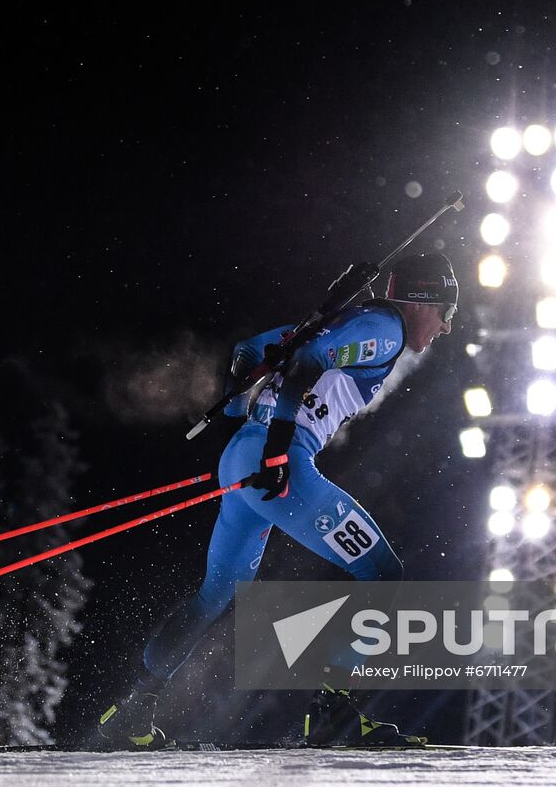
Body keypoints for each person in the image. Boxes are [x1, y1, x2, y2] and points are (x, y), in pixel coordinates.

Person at [97, 253, 459, 748]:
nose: (446, 326)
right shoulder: (386, 329)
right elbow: (309, 362)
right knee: (382, 574)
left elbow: (248, 351)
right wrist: (276, 449)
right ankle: (333, 718)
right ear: (421, 300)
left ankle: (133, 710)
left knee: (215, 596)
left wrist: (236, 425)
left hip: (243, 457)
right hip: (280, 464)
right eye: (446, 311)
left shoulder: (351, 320)